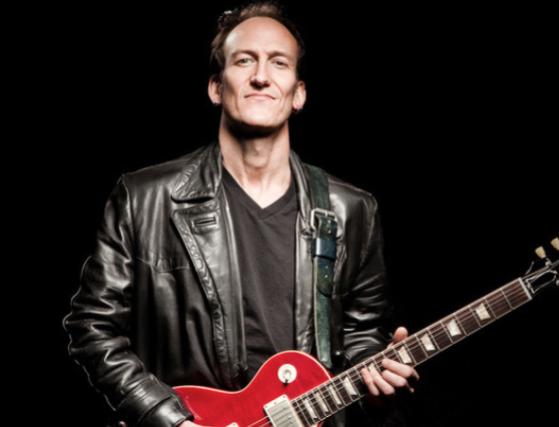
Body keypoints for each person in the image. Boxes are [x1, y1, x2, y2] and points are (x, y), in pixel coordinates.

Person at [65, 2, 418, 426]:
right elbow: (92, 326)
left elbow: (363, 336)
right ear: (216, 87)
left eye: (279, 63)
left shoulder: (352, 210)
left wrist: (377, 385)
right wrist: (168, 419)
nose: (261, 76)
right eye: (244, 60)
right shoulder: (143, 199)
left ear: (299, 93)